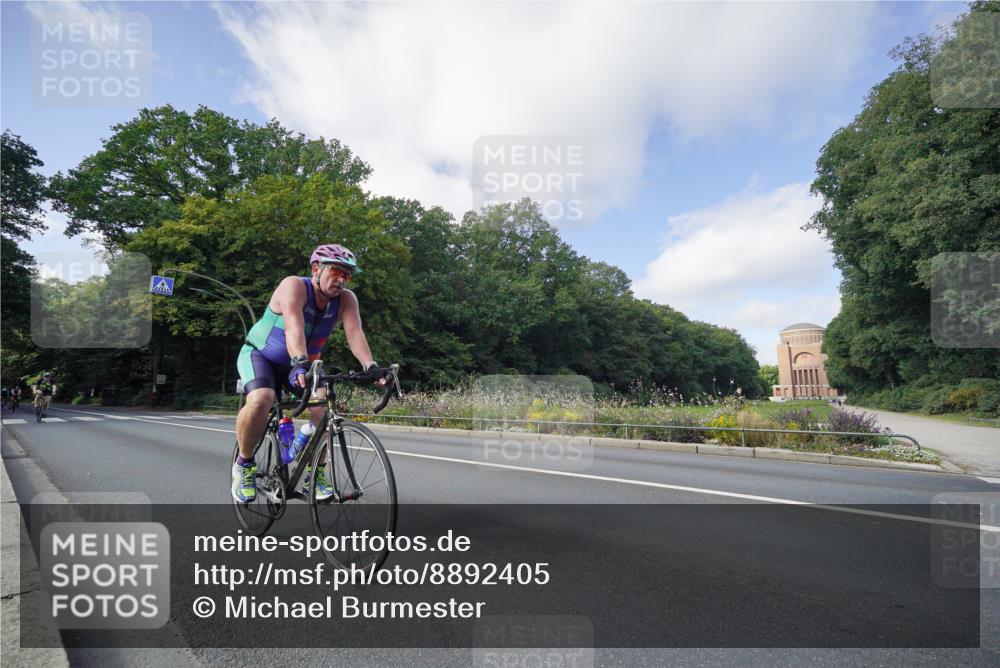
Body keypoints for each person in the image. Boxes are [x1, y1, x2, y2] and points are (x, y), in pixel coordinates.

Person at [232, 244, 387, 503]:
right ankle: (244, 465)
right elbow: (293, 326)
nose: (341, 279)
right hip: (261, 356)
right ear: (316, 269)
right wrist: (299, 362)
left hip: (306, 363)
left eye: (347, 275)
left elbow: (354, 334)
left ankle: (316, 475)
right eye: (336, 271)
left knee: (324, 411)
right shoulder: (293, 285)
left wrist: (370, 366)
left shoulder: (346, 300)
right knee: (261, 398)